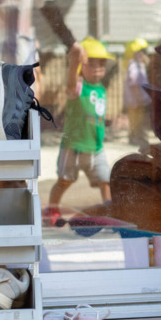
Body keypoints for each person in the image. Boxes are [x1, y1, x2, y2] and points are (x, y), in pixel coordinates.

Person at [46, 36, 112, 225]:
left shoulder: (102, 89)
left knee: (104, 181)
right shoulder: (79, 86)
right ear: (83, 65)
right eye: (92, 64)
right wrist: (74, 62)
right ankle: (52, 210)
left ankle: (109, 209)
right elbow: (70, 85)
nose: (98, 68)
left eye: (102, 64)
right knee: (64, 181)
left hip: (96, 147)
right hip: (73, 147)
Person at [123, 37, 151, 149]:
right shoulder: (134, 65)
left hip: (137, 100)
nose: (142, 55)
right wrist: (139, 97)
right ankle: (135, 137)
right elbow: (134, 83)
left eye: (143, 52)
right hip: (135, 100)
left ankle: (136, 136)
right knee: (136, 120)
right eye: (139, 52)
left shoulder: (140, 65)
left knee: (138, 119)